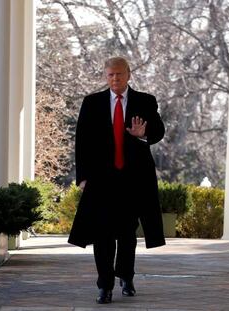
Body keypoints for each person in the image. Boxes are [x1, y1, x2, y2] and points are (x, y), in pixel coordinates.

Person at [68, 56, 166, 304]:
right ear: (105, 76)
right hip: (102, 180)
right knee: (102, 234)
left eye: (119, 74)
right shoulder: (92, 103)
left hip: (133, 181)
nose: (115, 79)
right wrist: (83, 177)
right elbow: (82, 141)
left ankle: (126, 276)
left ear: (128, 74)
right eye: (111, 75)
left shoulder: (145, 101)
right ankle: (105, 286)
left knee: (126, 234)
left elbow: (159, 130)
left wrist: (144, 134)